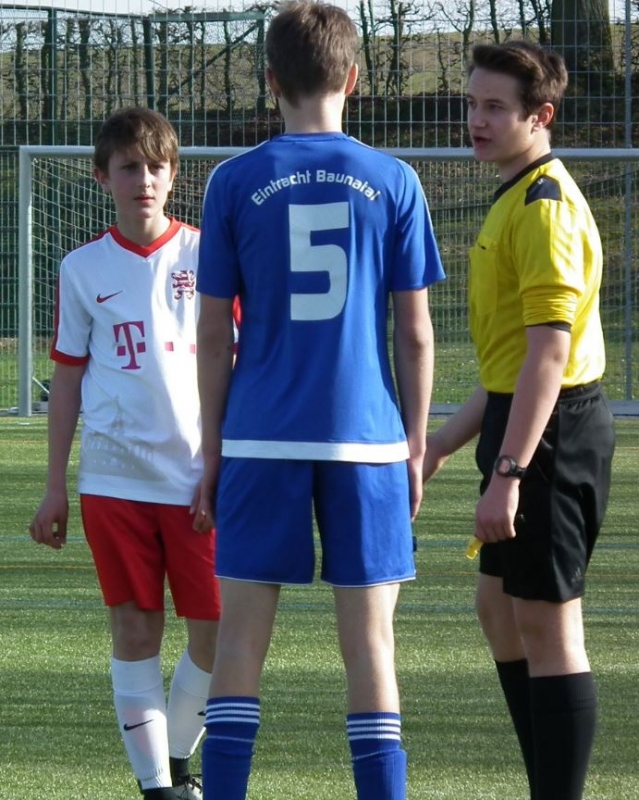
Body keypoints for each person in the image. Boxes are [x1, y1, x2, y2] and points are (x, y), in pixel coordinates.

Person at [194, 2, 445, 799]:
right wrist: (413, 443)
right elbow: (415, 335)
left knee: (240, 643)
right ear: (353, 78)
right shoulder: (394, 180)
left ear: (270, 81)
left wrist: (213, 449)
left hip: (259, 438)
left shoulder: (233, 181)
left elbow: (212, 336)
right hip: (365, 439)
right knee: (369, 647)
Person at [423, 41, 615, 800]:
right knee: (498, 609)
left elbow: (547, 358)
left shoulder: (544, 208)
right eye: (471, 104)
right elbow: (508, 370)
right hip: (526, 423)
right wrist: (442, 443)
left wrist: (508, 473)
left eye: (495, 108)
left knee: (547, 625)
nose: (477, 120)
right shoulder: (514, 193)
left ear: (541, 116)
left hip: (551, 438)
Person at [29, 107, 230, 800]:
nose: (143, 179)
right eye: (128, 167)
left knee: (216, 630)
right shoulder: (82, 268)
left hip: (199, 479)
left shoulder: (208, 255)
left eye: (155, 166)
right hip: (114, 482)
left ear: (173, 176)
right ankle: (158, 787)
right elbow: (66, 380)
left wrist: (223, 465)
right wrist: (54, 485)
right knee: (135, 627)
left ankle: (175, 759)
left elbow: (237, 364)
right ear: (101, 176)